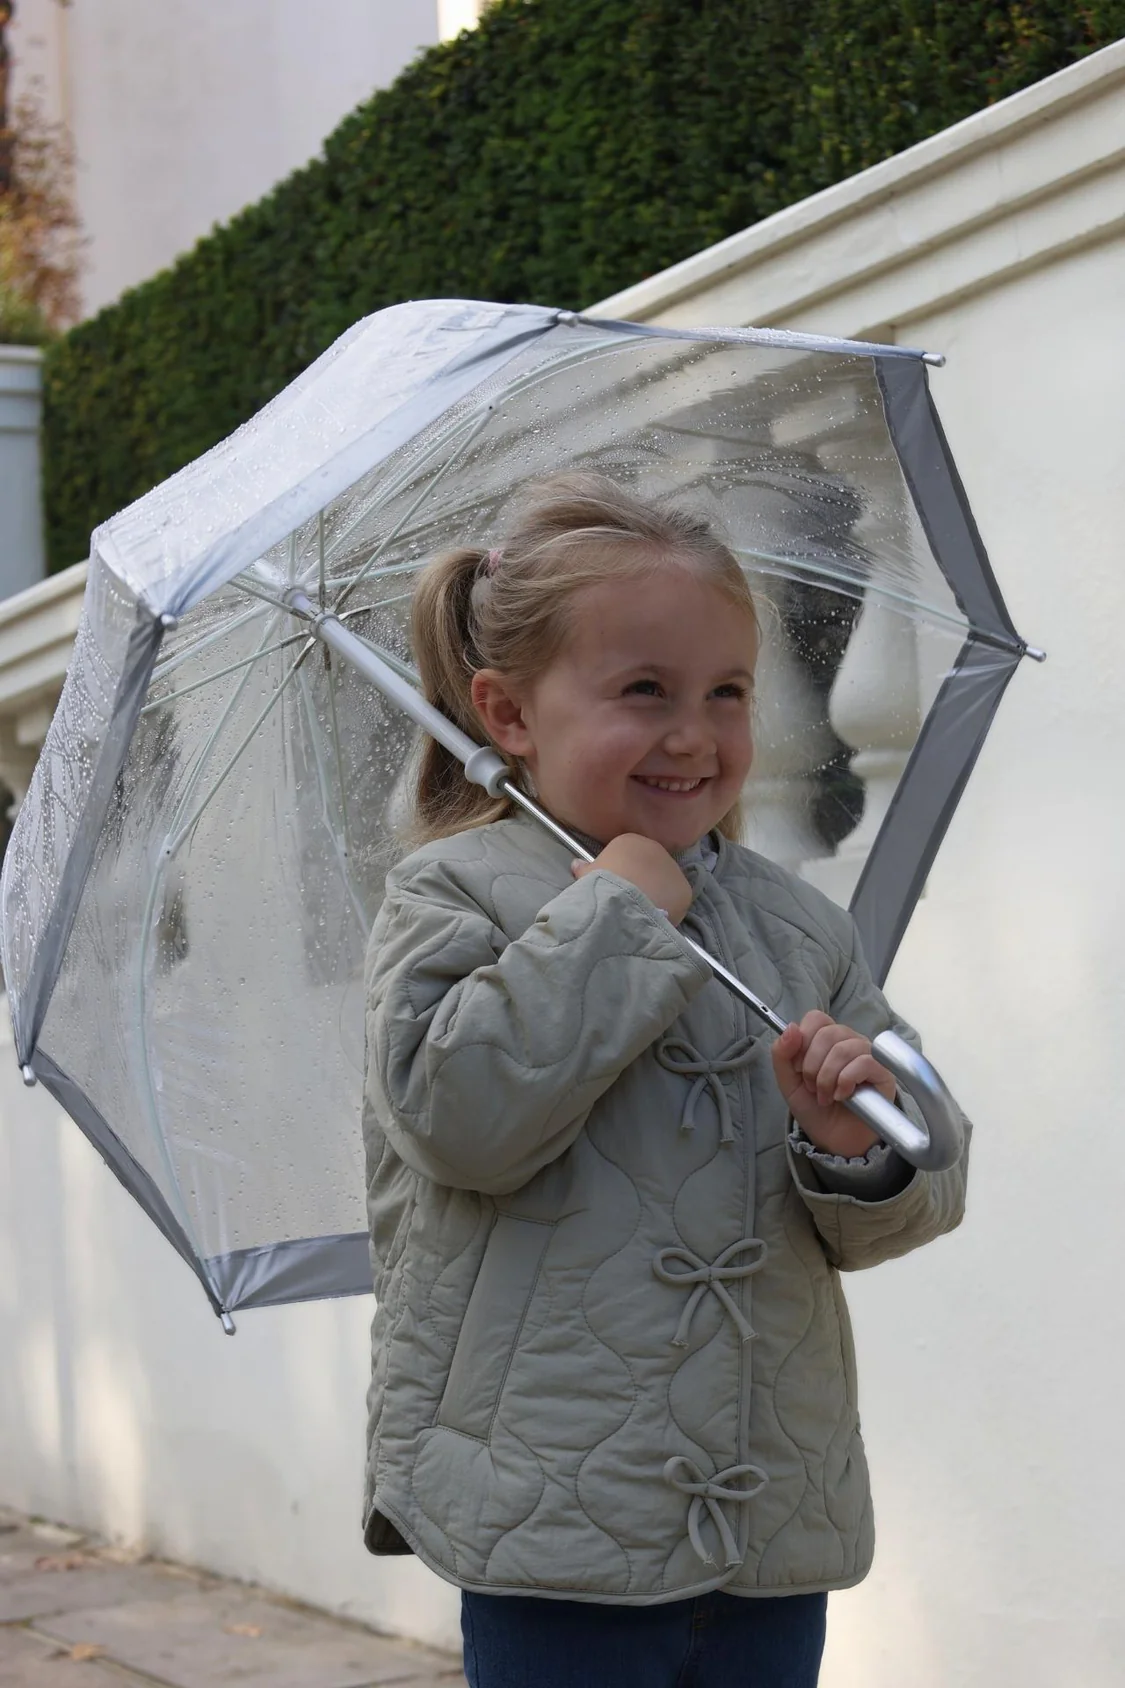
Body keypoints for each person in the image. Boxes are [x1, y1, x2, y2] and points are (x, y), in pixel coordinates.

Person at [360, 473, 970, 1688]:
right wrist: (617, 919)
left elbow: (925, 1176)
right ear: (508, 711)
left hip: (766, 1507)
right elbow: (454, 1117)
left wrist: (853, 1140)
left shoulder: (796, 926)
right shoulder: (454, 893)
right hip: (552, 1521)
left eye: (726, 691)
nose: (695, 733)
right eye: (645, 690)